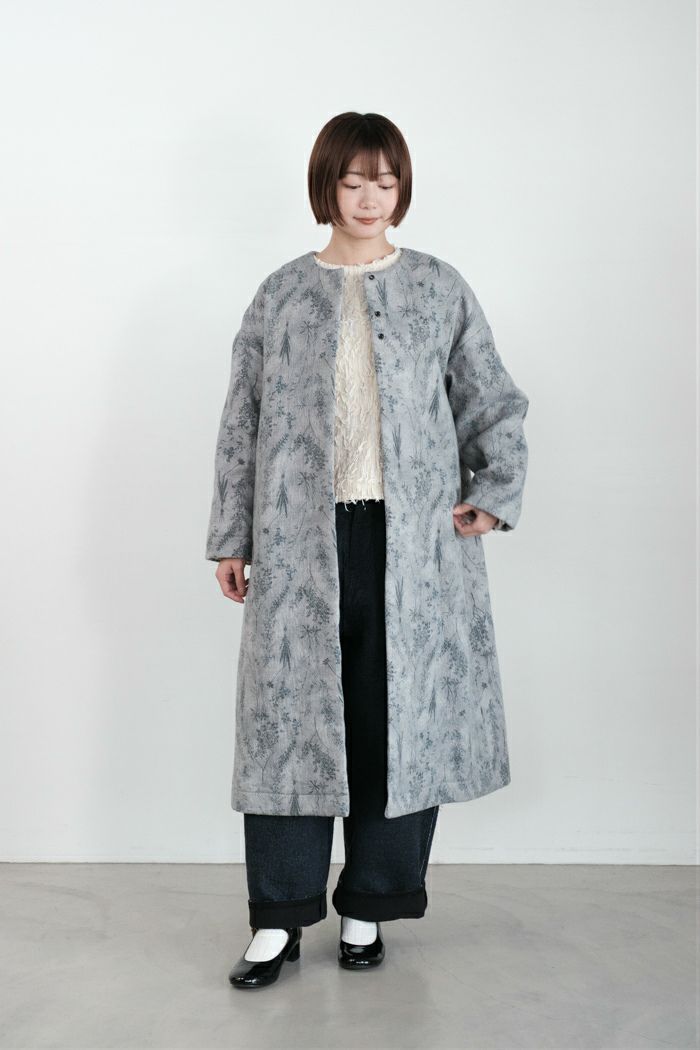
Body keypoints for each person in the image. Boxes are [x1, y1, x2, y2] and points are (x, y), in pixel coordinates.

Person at [205, 112, 529, 989]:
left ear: (402, 189)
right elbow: (242, 421)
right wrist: (231, 535)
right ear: (327, 187)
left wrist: (493, 494)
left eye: (385, 182)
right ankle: (277, 919)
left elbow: (492, 398)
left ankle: (369, 906)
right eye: (353, 182)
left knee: (396, 727)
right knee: (289, 729)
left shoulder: (437, 287)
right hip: (299, 545)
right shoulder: (280, 294)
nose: (369, 198)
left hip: (415, 548)